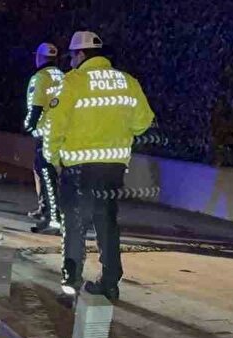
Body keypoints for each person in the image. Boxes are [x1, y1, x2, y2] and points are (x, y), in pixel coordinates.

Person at [42, 31, 155, 301]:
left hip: (78, 169)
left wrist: (52, 158)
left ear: (81, 54)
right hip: (113, 169)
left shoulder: (72, 82)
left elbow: (53, 126)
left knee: (75, 225)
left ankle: (71, 285)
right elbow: (143, 123)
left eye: (72, 56)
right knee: (107, 223)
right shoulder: (127, 82)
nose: (71, 61)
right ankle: (110, 283)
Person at [25, 43, 64, 234]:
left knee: (47, 176)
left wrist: (29, 125)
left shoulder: (40, 78)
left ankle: (52, 219)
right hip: (62, 133)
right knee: (51, 175)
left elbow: (36, 107)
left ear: (39, 57)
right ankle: (46, 210)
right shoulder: (64, 77)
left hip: (46, 134)